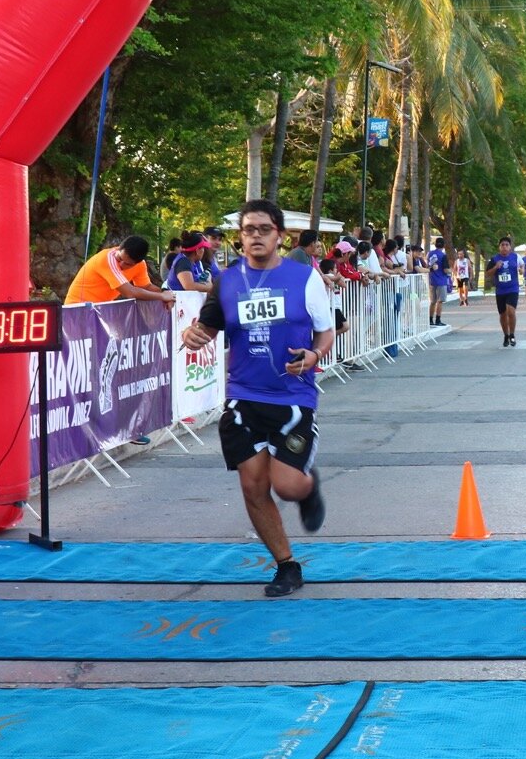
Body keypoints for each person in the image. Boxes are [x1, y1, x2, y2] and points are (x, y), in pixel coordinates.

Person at [179, 199, 333, 597]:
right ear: (241, 237)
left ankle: (306, 487)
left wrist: (315, 355)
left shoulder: (305, 278)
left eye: (264, 229)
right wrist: (193, 336)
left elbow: (326, 330)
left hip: (292, 396)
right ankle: (286, 565)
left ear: (279, 235)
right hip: (244, 396)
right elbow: (206, 328)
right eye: (249, 230)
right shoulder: (227, 282)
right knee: (253, 486)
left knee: (286, 486)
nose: (256, 236)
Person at [66, 235, 177, 306]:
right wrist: (162, 296)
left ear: (137, 263)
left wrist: (167, 294)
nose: (121, 264)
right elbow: (130, 292)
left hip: (99, 309)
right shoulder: (106, 259)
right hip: (78, 308)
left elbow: (146, 287)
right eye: (119, 258)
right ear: (119, 248)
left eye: (128, 264)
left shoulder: (141, 265)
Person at [486, 236, 521, 346]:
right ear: (499, 247)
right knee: (503, 314)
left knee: (511, 311)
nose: (504, 247)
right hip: (500, 290)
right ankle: (506, 335)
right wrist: (496, 267)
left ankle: (512, 335)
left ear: (510, 247)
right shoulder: (494, 259)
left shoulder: (516, 257)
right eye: (502, 245)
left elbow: (522, 266)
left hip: (513, 289)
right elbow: (488, 273)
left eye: (507, 245)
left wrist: (522, 270)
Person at [425, 237, 452, 326]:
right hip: (441, 280)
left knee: (433, 301)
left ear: (435, 244)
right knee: (440, 301)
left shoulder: (429, 254)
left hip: (432, 280)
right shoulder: (443, 255)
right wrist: (451, 271)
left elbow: (427, 265)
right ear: (444, 245)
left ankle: (430, 319)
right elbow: (445, 270)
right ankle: (438, 319)